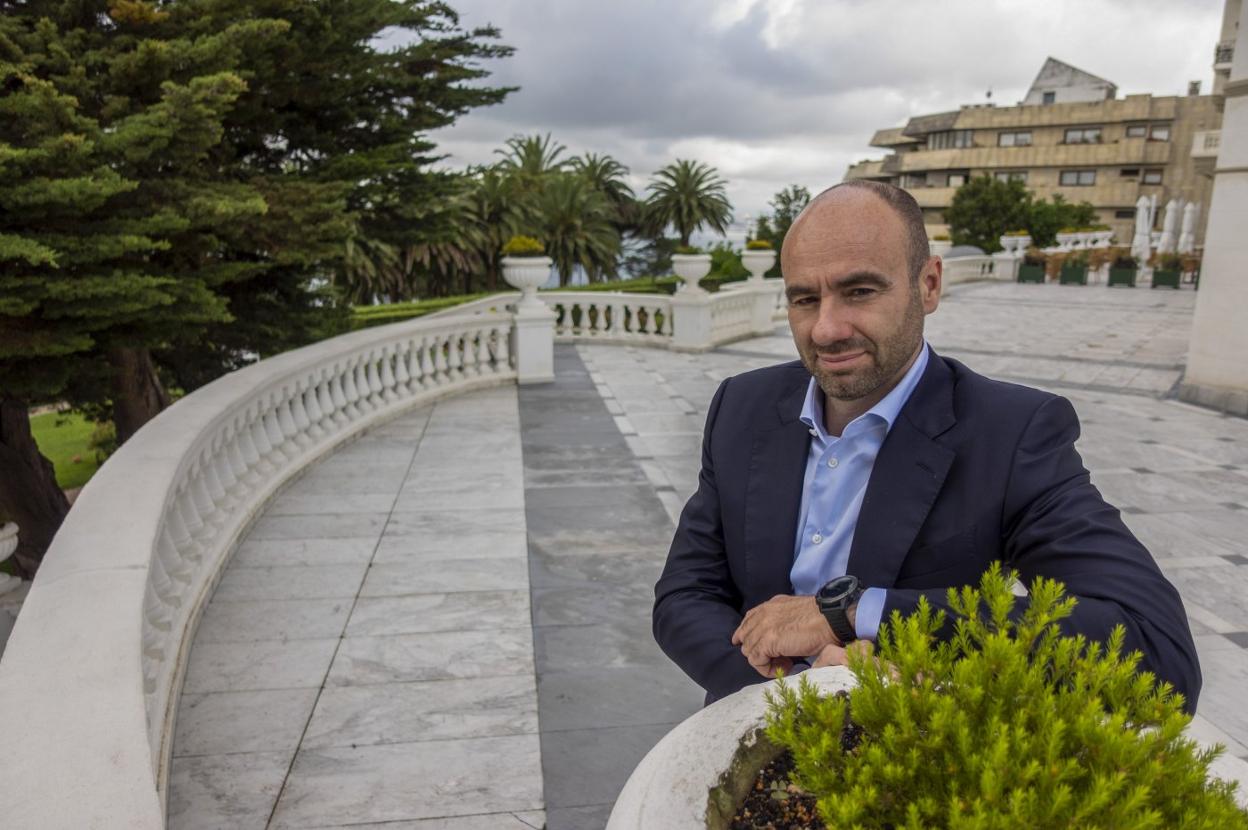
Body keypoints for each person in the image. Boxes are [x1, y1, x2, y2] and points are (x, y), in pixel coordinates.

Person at [652, 180, 1201, 710]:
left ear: (929, 285)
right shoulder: (742, 406)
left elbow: (1155, 648)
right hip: (751, 733)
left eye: (860, 291)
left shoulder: (1010, 434)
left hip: (913, 757)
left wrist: (854, 614)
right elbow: (685, 595)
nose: (825, 329)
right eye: (804, 298)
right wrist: (788, 695)